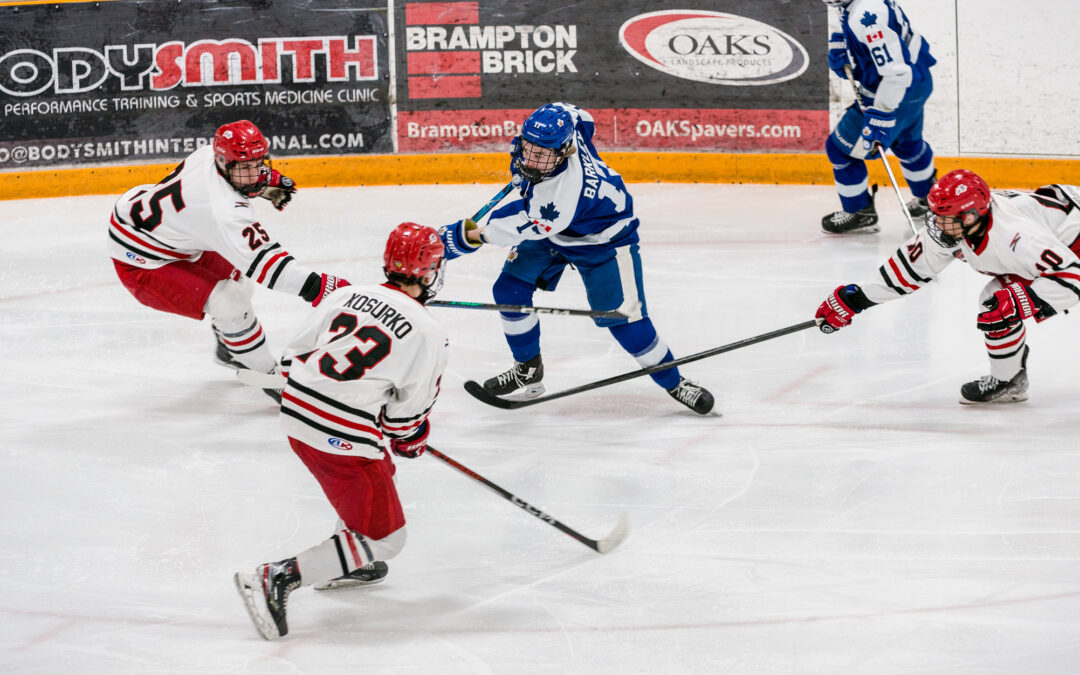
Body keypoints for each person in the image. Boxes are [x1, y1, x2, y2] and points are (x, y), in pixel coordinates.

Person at [234, 223, 447, 640]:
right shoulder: (429, 332)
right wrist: (411, 437)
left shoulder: (347, 295)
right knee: (388, 540)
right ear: (427, 273)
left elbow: (293, 357)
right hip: (340, 435)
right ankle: (277, 577)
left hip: (295, 414)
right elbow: (404, 421)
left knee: (379, 469)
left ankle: (349, 558)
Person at [438, 102, 714, 415]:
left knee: (624, 319)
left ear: (564, 151)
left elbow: (511, 228)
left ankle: (675, 381)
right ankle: (528, 368)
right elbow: (582, 116)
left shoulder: (561, 197)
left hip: (605, 240)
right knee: (509, 290)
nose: (531, 159)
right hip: (559, 232)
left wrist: (459, 239)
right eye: (528, 148)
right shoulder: (568, 124)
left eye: (542, 155)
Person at [108, 119, 348, 400]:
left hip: (168, 232)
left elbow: (239, 180)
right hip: (142, 260)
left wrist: (262, 181)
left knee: (240, 282)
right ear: (223, 161)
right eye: (244, 168)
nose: (254, 173)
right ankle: (266, 378)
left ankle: (229, 345)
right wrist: (320, 288)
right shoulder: (223, 212)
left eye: (259, 164)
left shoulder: (209, 154)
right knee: (230, 302)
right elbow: (270, 267)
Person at [815, 169, 1080, 403]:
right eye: (937, 215)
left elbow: (1071, 276)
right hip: (1059, 227)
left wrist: (1026, 301)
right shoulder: (954, 227)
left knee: (1004, 303)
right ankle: (1008, 381)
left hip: (1071, 241)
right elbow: (910, 267)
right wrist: (857, 300)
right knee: (997, 301)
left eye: (947, 217)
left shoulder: (1016, 236)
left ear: (971, 216)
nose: (938, 225)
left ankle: (1009, 379)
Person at [820, 0, 938, 234]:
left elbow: (896, 73)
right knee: (908, 144)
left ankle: (859, 211)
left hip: (892, 92)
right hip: (918, 82)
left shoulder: (866, 14)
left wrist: (882, 113)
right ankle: (928, 200)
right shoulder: (860, 6)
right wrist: (845, 44)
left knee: (839, 150)